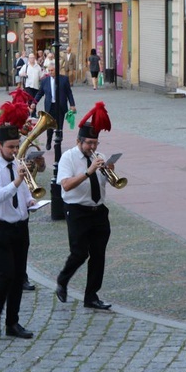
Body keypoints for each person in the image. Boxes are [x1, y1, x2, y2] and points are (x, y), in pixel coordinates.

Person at [55, 102, 115, 311]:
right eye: (89, 143)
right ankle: (62, 280)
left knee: (98, 255)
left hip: (98, 211)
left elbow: (108, 183)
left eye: (95, 143)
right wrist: (89, 171)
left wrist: (111, 172)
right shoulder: (68, 158)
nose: (92, 147)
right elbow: (66, 185)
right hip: (77, 211)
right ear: (79, 141)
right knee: (80, 253)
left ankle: (91, 296)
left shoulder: (100, 157)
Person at [0, 124, 35, 340]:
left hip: (20, 226)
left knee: (18, 275)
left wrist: (31, 201)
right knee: (5, 274)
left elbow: (22, 192)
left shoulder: (18, 165)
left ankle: (12, 321)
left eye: (17, 146)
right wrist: (17, 181)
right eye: (11, 147)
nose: (15, 151)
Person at [31, 64, 77, 150]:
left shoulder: (64, 79)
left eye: (52, 70)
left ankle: (58, 141)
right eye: (49, 70)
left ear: (56, 70)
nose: (50, 72)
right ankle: (49, 141)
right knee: (49, 126)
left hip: (60, 106)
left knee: (59, 125)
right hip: (50, 106)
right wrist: (34, 103)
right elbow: (40, 93)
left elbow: (69, 93)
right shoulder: (45, 81)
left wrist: (72, 104)